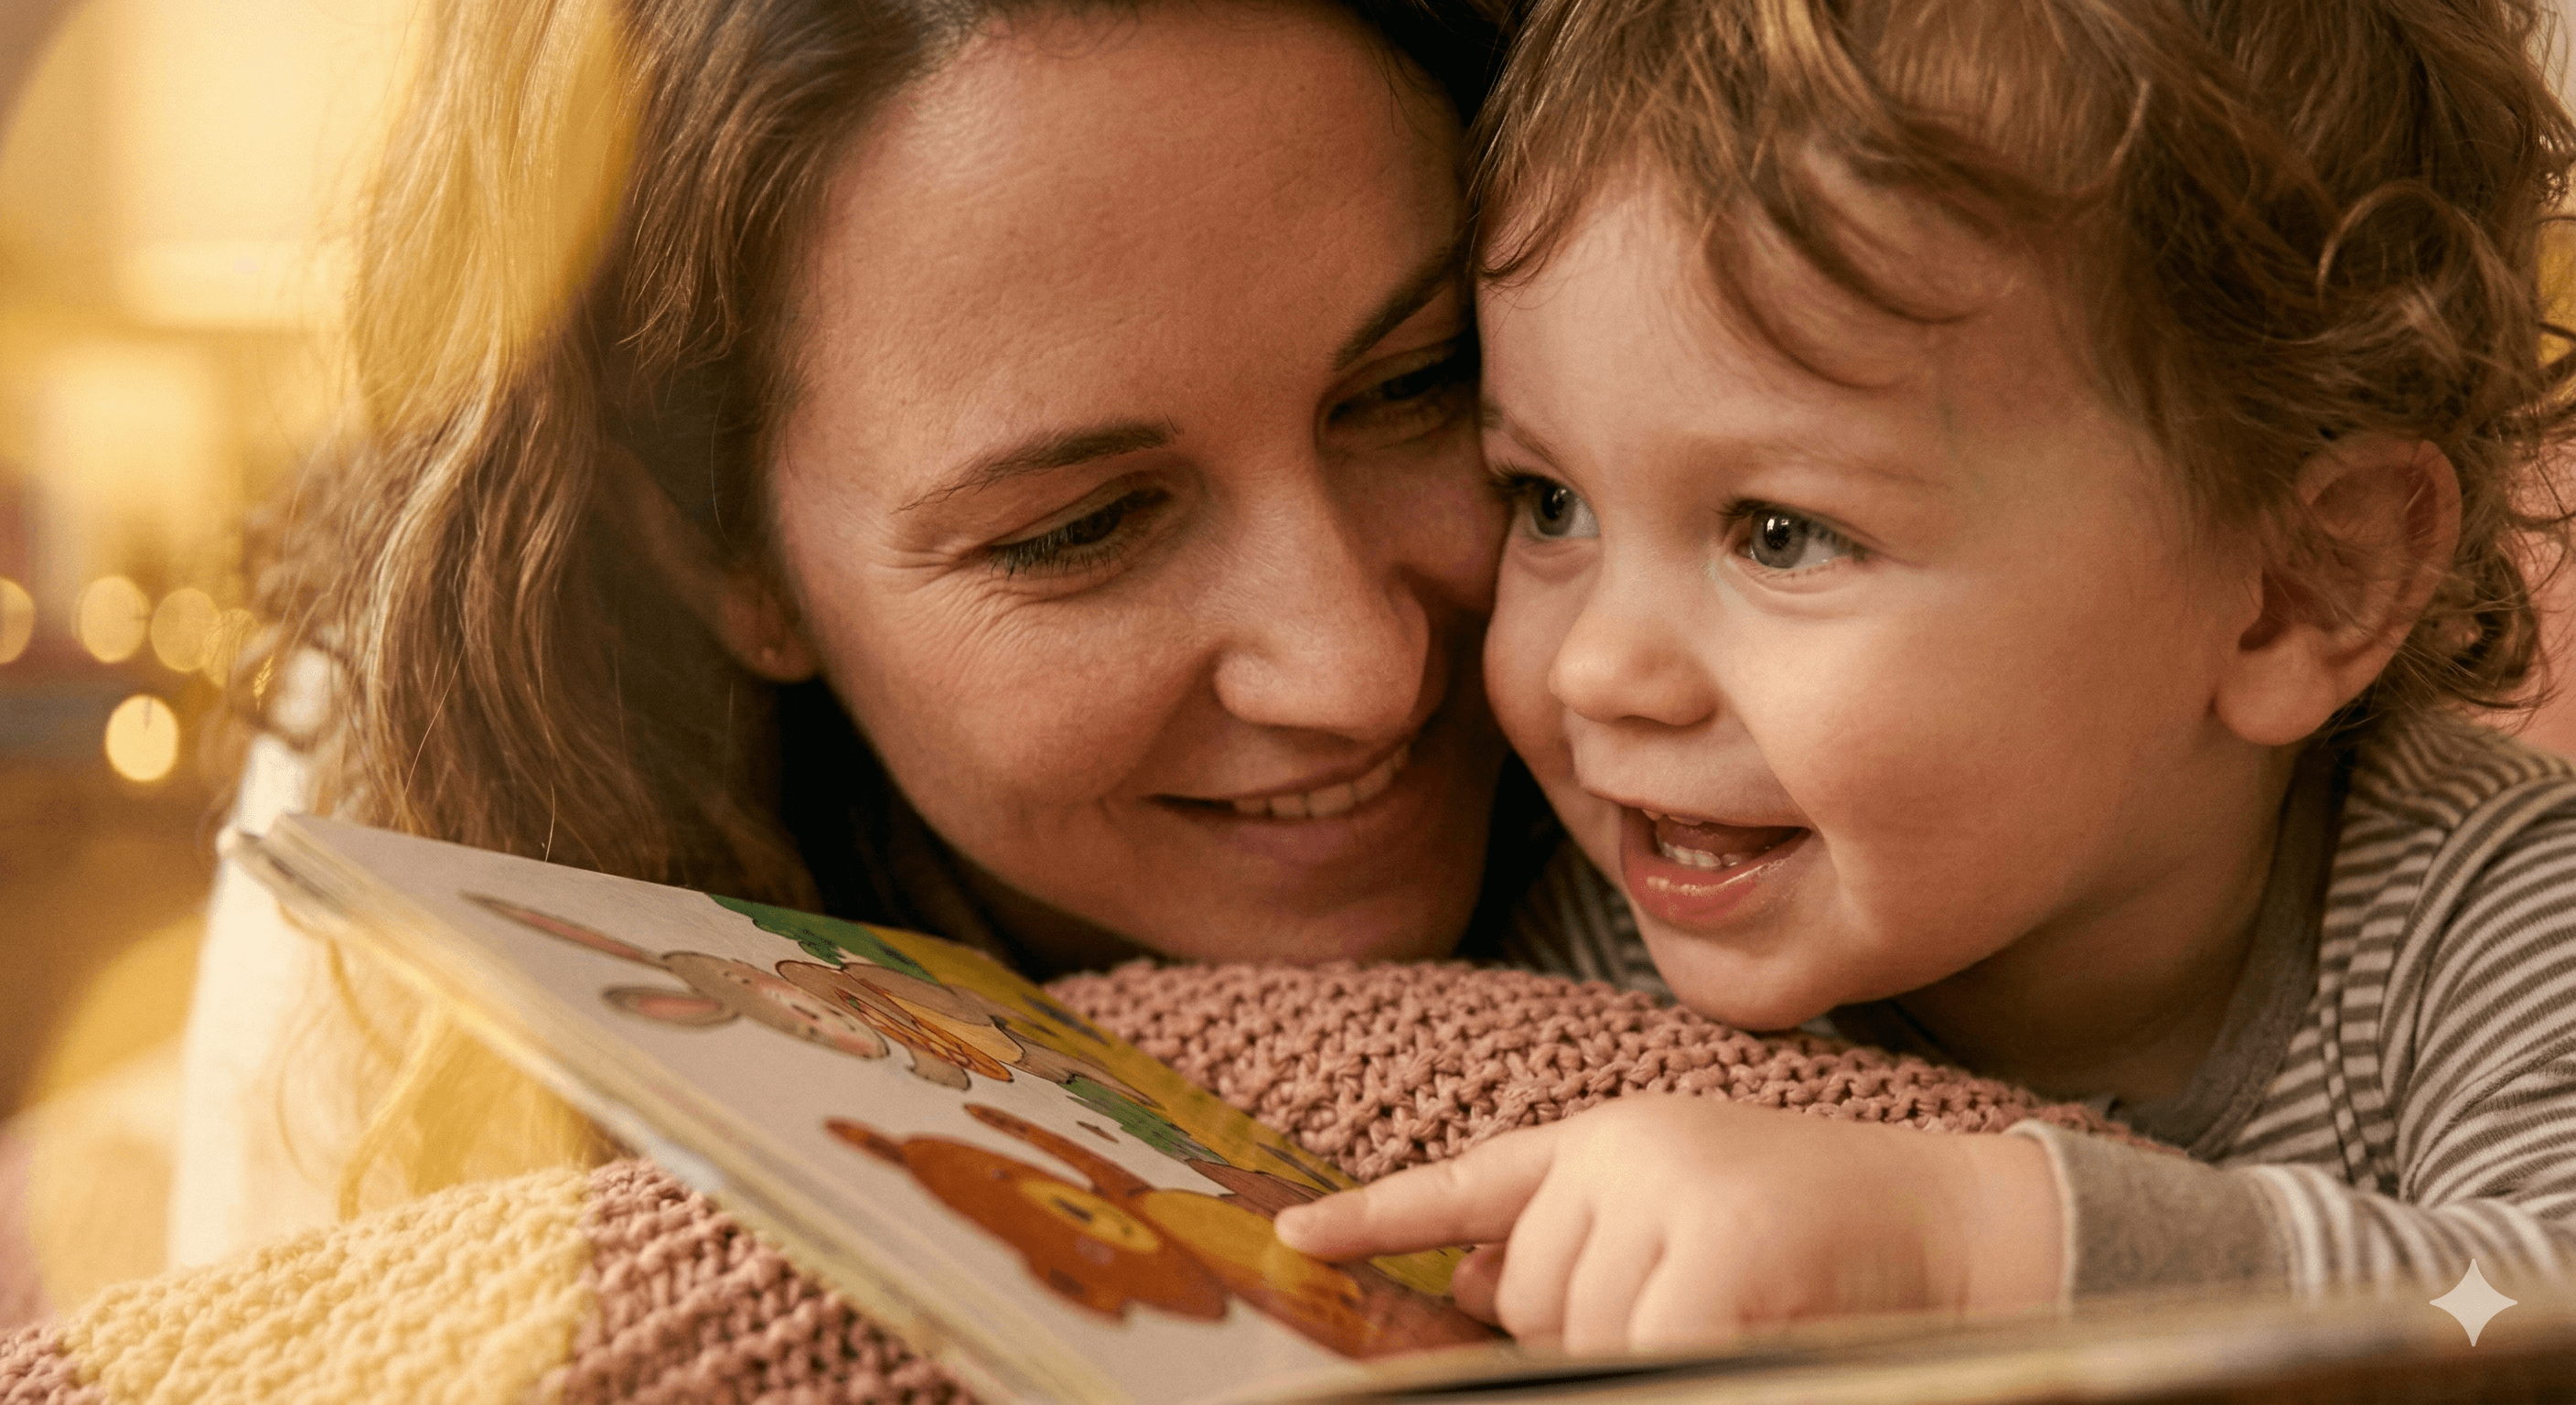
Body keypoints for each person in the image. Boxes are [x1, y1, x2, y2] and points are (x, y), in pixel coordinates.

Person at [1277, 0, 2576, 1351]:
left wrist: (1972, 1250)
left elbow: (2536, 1313)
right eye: (1550, 502)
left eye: (1781, 533)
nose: (1600, 669)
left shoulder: (2500, 922)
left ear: (2296, 591)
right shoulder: (1604, 941)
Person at [172, 0, 1543, 1261]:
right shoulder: (417, 851)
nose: (1361, 670)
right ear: (725, 565)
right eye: (1081, 530)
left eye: (1419, 384)